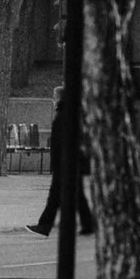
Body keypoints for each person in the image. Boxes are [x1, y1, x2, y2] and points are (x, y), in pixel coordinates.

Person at [26, 85, 95, 237]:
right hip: (70, 163)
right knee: (77, 195)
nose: (53, 100)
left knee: (55, 196)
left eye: (54, 97)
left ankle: (44, 226)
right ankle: (88, 224)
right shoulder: (71, 114)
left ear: (59, 98)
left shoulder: (63, 115)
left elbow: (62, 142)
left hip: (65, 164)